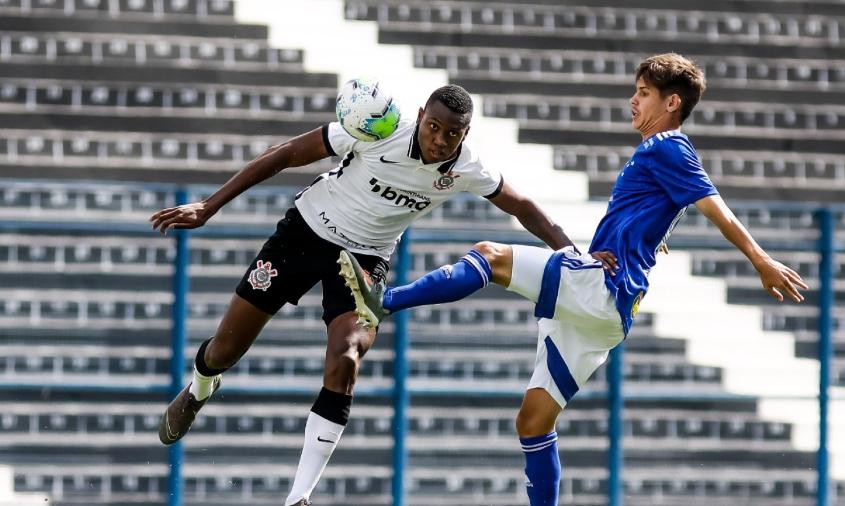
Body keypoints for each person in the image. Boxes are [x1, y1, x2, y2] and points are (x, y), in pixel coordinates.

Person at [338, 53, 809, 506]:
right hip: (610, 317)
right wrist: (649, 238)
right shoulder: (659, 155)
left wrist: (760, 259)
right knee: (534, 422)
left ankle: (385, 301)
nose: (633, 100)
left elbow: (713, 205)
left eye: (644, 93)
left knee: (489, 256)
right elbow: (667, 209)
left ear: (672, 103)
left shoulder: (666, 145)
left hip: (604, 290)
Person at [149, 84, 575, 506]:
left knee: (348, 355)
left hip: (364, 261)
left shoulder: (466, 166)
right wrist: (209, 206)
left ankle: (299, 496)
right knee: (225, 349)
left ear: (466, 133)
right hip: (304, 234)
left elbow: (524, 207)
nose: (440, 140)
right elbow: (284, 155)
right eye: (434, 127)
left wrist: (573, 255)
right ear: (421, 113)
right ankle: (200, 388)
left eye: (453, 133)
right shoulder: (380, 129)